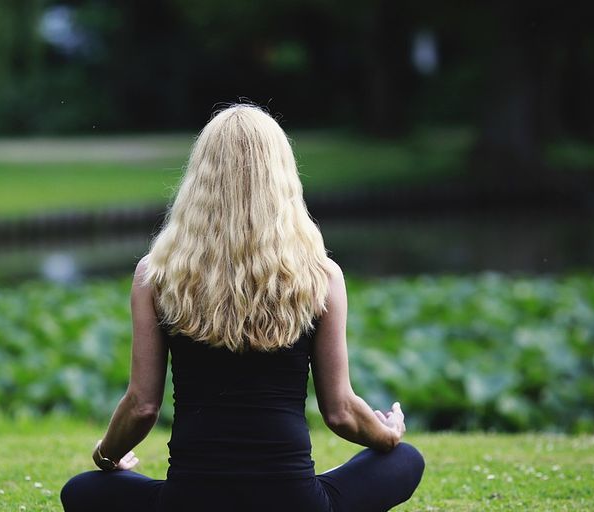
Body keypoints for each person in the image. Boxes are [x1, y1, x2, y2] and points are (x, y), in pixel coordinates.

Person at [60, 104, 425, 512]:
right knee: (406, 460)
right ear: (281, 176)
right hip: (295, 504)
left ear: (199, 179)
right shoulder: (320, 276)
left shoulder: (157, 275)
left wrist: (107, 456)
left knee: (80, 491)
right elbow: (340, 411)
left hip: (189, 503)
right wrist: (386, 434)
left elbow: (143, 405)